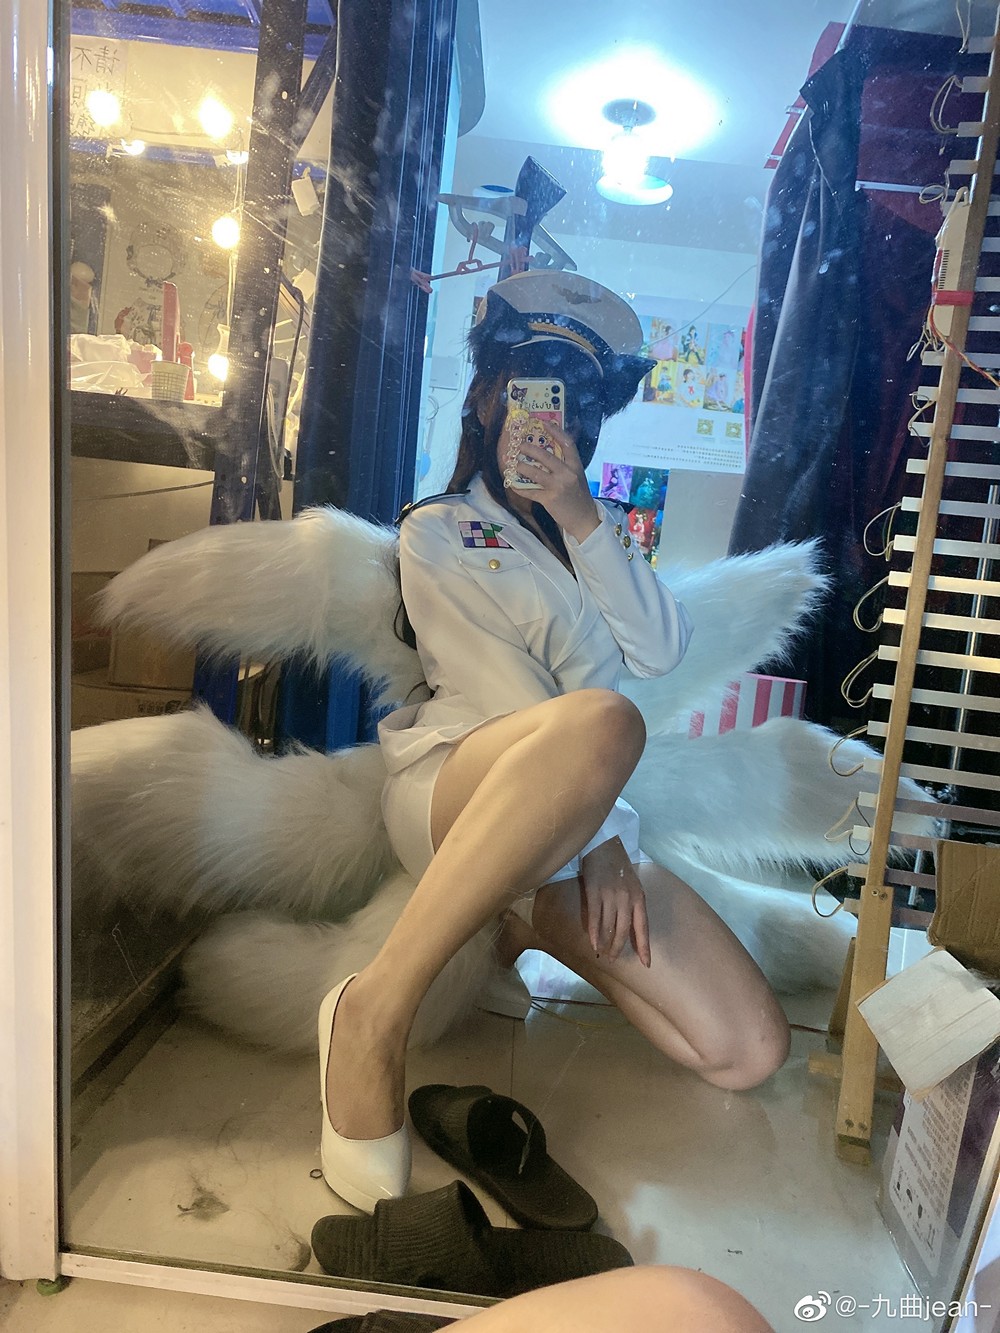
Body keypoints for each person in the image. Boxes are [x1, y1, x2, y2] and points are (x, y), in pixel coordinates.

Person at [319, 270, 790, 1213]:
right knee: (607, 722)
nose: (549, 417)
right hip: (460, 790)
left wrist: (583, 517)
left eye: (573, 401)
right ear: (487, 398)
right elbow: (507, 693)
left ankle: (525, 920)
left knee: (748, 1049)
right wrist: (604, 838)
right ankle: (370, 1011)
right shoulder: (439, 530)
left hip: (572, 822)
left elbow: (661, 648)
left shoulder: (593, 536)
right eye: (529, 387)